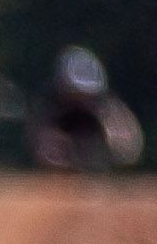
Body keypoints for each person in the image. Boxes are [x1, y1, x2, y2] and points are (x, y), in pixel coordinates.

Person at [31, 47, 143, 175]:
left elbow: (128, 151)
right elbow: (43, 148)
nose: (81, 100)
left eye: (87, 95)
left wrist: (109, 153)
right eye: (75, 93)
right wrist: (60, 155)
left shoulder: (107, 109)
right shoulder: (50, 107)